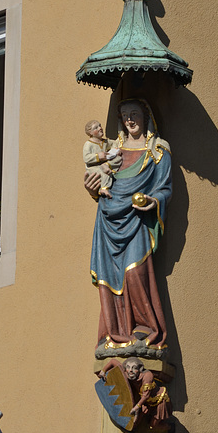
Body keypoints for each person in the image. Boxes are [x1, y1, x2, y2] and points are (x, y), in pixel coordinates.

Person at [88, 99, 172, 352]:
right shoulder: (114, 150)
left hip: (136, 219)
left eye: (135, 114)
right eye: (125, 115)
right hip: (107, 219)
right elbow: (104, 182)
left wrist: (153, 200)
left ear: (146, 117)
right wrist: (94, 189)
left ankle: (146, 328)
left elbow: (165, 188)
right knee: (107, 277)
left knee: (134, 272)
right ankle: (114, 333)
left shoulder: (157, 150)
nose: (130, 120)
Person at [98, 357, 172, 433]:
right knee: (141, 413)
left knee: (153, 425)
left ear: (140, 369)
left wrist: (137, 406)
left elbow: (146, 395)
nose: (130, 370)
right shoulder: (126, 373)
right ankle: (132, 427)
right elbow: (113, 361)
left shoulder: (147, 376)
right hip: (146, 401)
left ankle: (170, 427)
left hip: (159, 400)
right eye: (128, 367)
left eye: (134, 368)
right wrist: (103, 371)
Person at [83, 120, 122, 198]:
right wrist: (98, 156)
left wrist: (116, 149)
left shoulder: (104, 142)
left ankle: (107, 167)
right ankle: (104, 188)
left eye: (100, 126)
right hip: (93, 168)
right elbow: (86, 158)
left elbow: (114, 143)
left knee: (118, 159)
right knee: (104, 172)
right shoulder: (88, 144)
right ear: (90, 132)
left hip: (104, 164)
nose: (100, 128)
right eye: (96, 128)